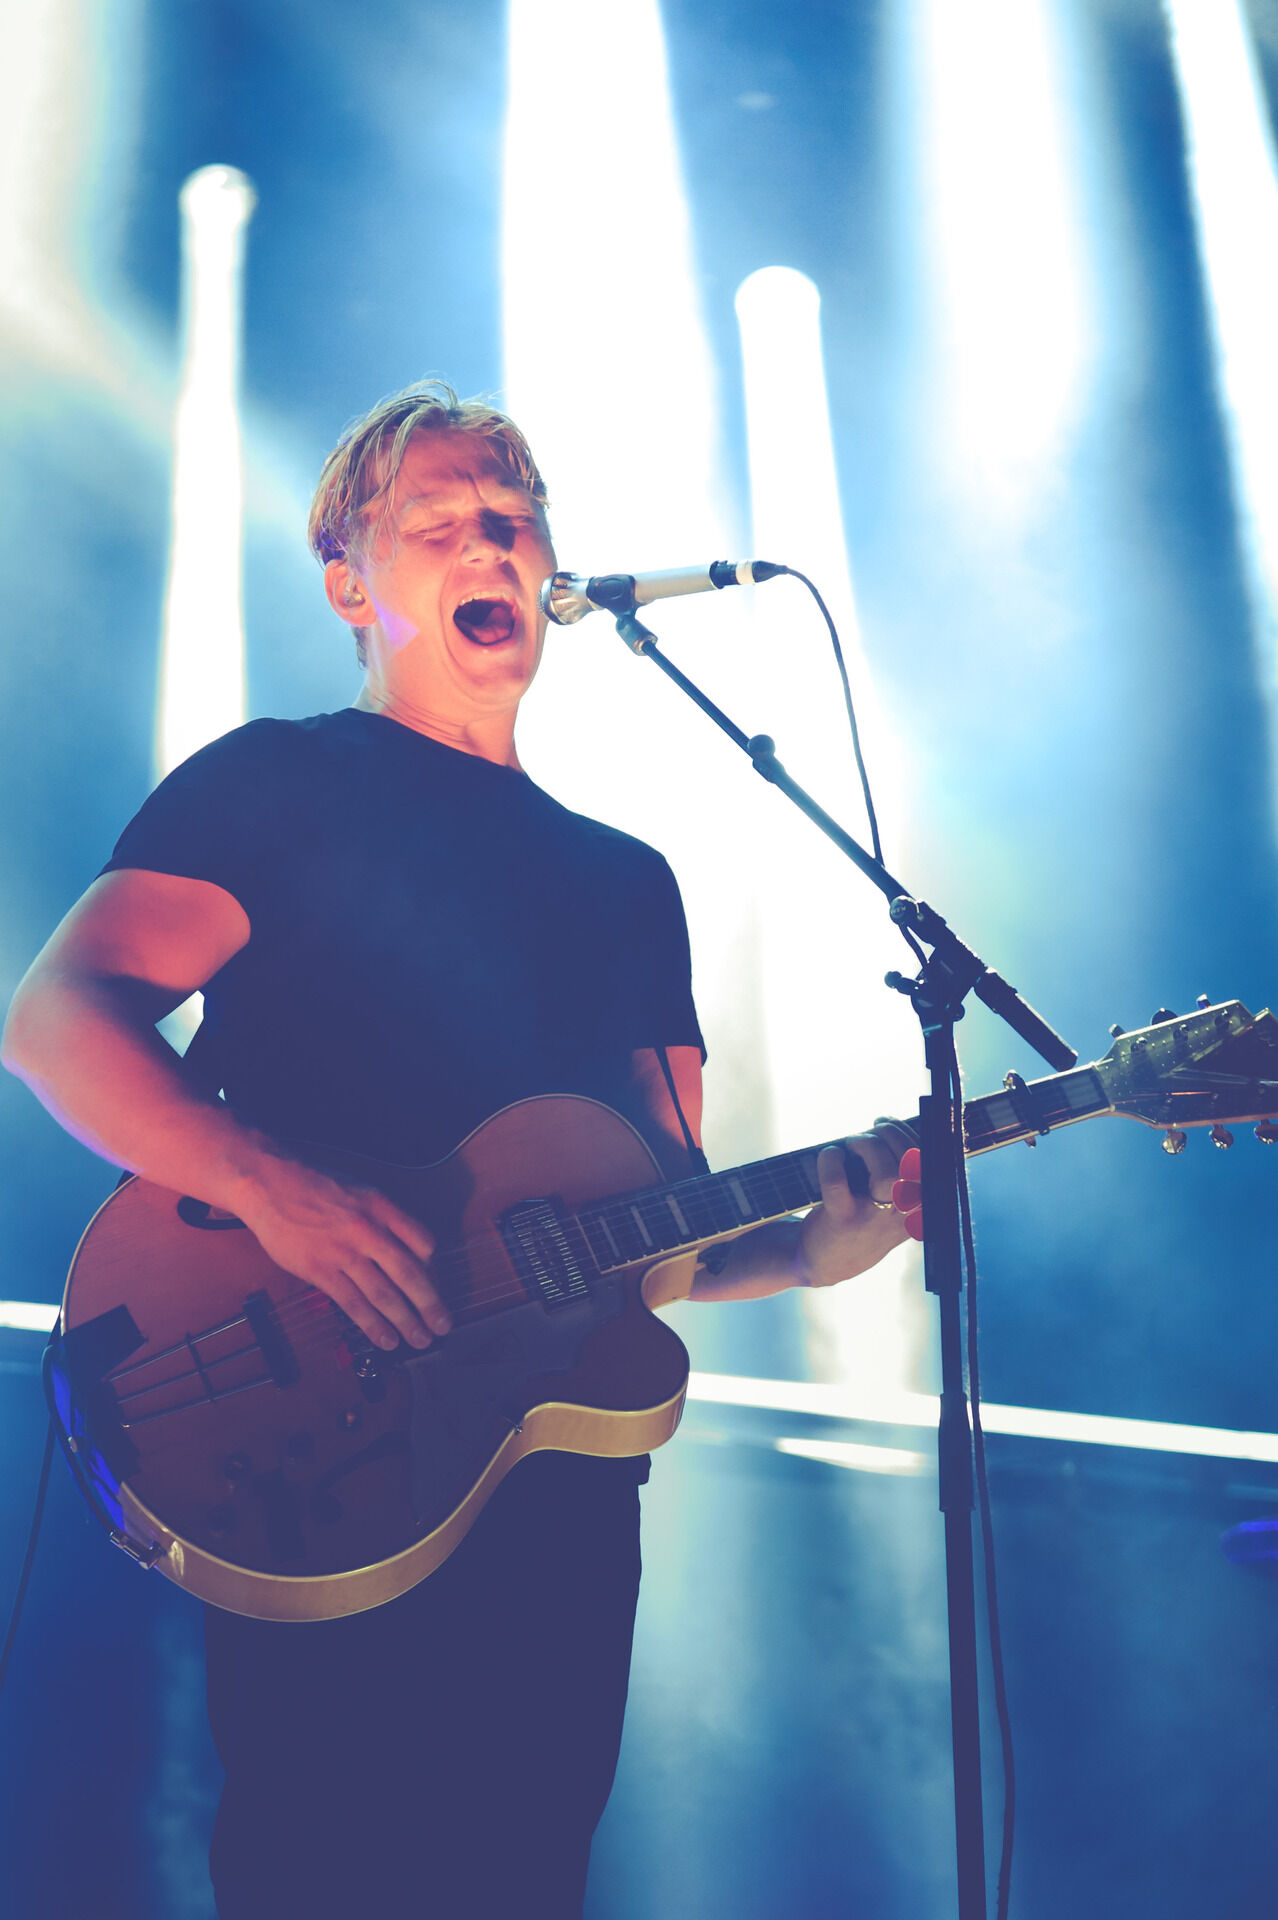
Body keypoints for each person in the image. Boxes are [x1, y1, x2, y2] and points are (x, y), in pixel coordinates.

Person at [2, 381, 917, 1918]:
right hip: (322, 1436)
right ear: (351, 585)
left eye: (514, 519)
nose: (490, 544)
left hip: (555, 1498)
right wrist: (270, 1190)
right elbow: (56, 1021)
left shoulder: (626, 883)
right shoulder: (280, 784)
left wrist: (811, 1247)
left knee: (524, 1872)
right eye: (437, 524)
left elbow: (643, 1244)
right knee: (321, 1870)